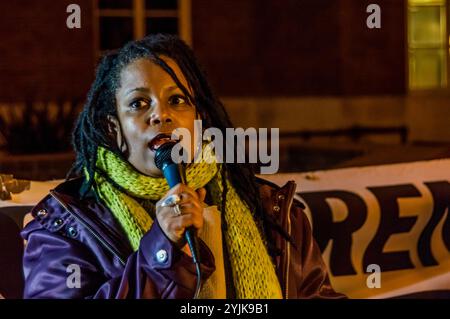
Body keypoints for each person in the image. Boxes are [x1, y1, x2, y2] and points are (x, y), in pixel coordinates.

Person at [21, 34, 344, 299]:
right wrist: (161, 249)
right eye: (139, 103)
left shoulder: (271, 211)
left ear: (198, 119)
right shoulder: (65, 227)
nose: (161, 115)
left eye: (177, 100)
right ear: (112, 128)